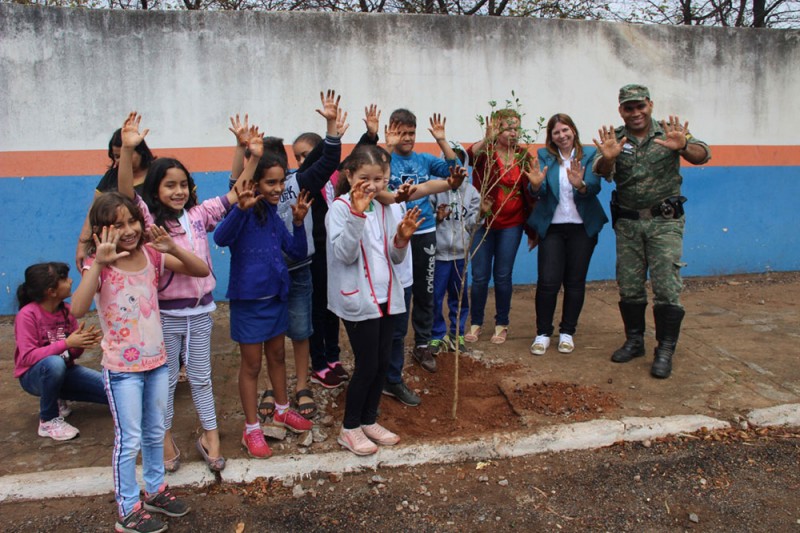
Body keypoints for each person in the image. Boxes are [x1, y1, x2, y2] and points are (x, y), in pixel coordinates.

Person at [71, 192, 209, 533]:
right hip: (121, 370)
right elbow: (76, 309)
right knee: (128, 439)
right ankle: (128, 510)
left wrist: (173, 249)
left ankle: (155, 489)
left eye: (133, 220)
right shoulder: (97, 266)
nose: (129, 229)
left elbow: (201, 270)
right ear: (102, 231)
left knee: (154, 430)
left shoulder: (151, 255)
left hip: (159, 363)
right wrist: (100, 263)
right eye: (118, 225)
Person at [117, 112, 244, 473]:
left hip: (201, 312)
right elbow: (126, 192)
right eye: (170, 185)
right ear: (155, 190)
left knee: (202, 376)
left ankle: (210, 435)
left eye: (183, 184)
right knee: (168, 379)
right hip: (168, 314)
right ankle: (165, 437)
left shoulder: (198, 215)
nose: (178, 191)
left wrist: (242, 150)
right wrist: (127, 151)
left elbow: (236, 193)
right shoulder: (151, 223)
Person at [593, 84, 711, 378]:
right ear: (620, 110)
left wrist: (682, 146)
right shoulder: (615, 139)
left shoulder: (669, 132)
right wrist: (608, 157)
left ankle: (665, 349)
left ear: (650, 105)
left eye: (640, 106)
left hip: (664, 223)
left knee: (666, 287)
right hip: (629, 223)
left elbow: (702, 154)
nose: (635, 113)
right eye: (628, 108)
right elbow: (600, 171)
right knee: (630, 285)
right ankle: (635, 341)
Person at [214, 130, 314, 459]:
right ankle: (252, 427)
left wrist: (299, 222)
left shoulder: (273, 214)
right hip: (249, 304)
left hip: (276, 299)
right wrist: (240, 209)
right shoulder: (243, 211)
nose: (279, 189)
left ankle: (283, 409)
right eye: (271, 183)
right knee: (251, 365)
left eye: (282, 181)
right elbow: (221, 237)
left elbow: (296, 252)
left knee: (277, 356)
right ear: (255, 184)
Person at [326, 144, 422, 455]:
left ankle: (368, 420)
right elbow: (345, 253)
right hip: (358, 302)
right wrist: (357, 213)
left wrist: (403, 238)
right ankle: (349, 427)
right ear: (349, 175)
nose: (373, 185)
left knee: (382, 364)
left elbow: (394, 257)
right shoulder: (340, 209)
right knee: (367, 365)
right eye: (365, 177)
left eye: (380, 179)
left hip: (387, 297)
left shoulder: (389, 207)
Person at [527, 114, 608, 355]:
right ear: (550, 136)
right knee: (548, 281)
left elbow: (594, 187)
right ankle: (542, 333)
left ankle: (567, 332)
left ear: (573, 130)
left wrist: (580, 184)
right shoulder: (544, 156)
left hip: (582, 228)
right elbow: (540, 191)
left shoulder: (591, 155)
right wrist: (534, 185)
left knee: (574, 282)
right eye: (556, 132)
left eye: (565, 130)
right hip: (553, 227)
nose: (561, 136)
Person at [385, 108, 458, 373]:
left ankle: (422, 344)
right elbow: (372, 172)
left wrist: (441, 140)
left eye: (411, 133)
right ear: (391, 132)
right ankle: (391, 345)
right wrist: (386, 147)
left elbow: (455, 169)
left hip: (424, 233)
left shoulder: (425, 160)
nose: (407, 138)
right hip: (393, 236)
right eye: (401, 133)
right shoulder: (385, 160)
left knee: (425, 291)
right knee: (395, 291)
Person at [13, 262, 107, 441]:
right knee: (53, 363)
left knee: (113, 394)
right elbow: (27, 357)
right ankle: (48, 420)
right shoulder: (27, 315)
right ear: (51, 291)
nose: (70, 281)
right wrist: (66, 343)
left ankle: (56, 395)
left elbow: (69, 356)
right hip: (34, 377)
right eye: (64, 278)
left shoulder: (67, 311)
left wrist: (79, 345)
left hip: (65, 371)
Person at [466, 109, 534, 345]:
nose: (514, 133)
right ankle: (475, 323)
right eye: (508, 128)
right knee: (480, 276)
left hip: (511, 224)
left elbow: (530, 192)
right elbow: (469, 157)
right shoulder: (485, 152)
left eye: (517, 128)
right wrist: (488, 138)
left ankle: (501, 324)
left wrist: (532, 229)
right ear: (497, 128)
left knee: (503, 276)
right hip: (483, 223)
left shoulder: (523, 157)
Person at [74, 127, 155, 271]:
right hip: (121, 246)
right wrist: (82, 245)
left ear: (141, 151)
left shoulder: (157, 172)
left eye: (126, 154)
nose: (120, 161)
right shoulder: (111, 177)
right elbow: (94, 211)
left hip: (154, 243)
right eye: (116, 157)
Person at [429, 157, 479, 355]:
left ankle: (456, 333)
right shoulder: (436, 188)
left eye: (459, 162)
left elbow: (472, 225)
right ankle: (436, 335)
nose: (455, 168)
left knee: (459, 298)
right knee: (435, 297)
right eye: (450, 164)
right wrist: (437, 218)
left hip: (459, 255)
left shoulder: (471, 191)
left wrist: (481, 215)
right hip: (439, 255)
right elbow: (427, 219)